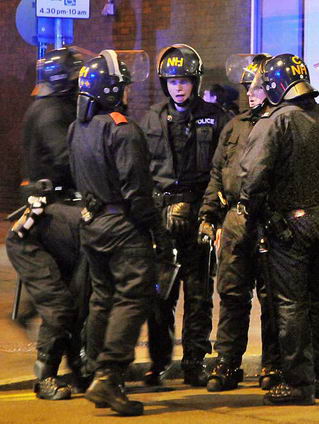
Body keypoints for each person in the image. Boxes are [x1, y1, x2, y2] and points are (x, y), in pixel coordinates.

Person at [239, 53, 319, 405]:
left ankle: (299, 383)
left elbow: (252, 179)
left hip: (289, 225)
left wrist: (256, 217)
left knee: (291, 305)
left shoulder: (276, 121)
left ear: (275, 87)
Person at [69, 49, 171, 416]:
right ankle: (110, 376)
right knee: (132, 298)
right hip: (123, 227)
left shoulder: (77, 128)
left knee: (102, 299)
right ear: (111, 90)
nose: (128, 92)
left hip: (92, 224)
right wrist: (157, 233)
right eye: (123, 86)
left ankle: (96, 370)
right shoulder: (123, 129)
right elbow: (137, 192)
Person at [140, 44, 230, 387]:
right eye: (172, 81)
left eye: (184, 80)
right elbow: (141, 171)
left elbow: (222, 172)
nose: (178, 87)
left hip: (198, 215)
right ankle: (159, 362)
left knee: (198, 294)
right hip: (162, 218)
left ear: (196, 82)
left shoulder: (216, 117)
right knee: (160, 294)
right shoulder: (151, 118)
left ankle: (195, 361)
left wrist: (210, 215)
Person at [5, 47, 89, 401]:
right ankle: (46, 377)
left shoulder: (47, 106)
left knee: (74, 298)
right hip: (44, 221)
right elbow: (67, 158)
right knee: (60, 305)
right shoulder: (52, 111)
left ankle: (79, 368)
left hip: (52, 218)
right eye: (78, 78)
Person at [198, 53, 281, 392]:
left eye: (257, 88)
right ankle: (228, 362)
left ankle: (273, 364)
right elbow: (218, 172)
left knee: (272, 298)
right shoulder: (234, 126)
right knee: (231, 293)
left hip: (269, 219)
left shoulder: (281, 122)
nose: (251, 94)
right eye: (248, 88)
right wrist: (208, 214)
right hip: (235, 218)